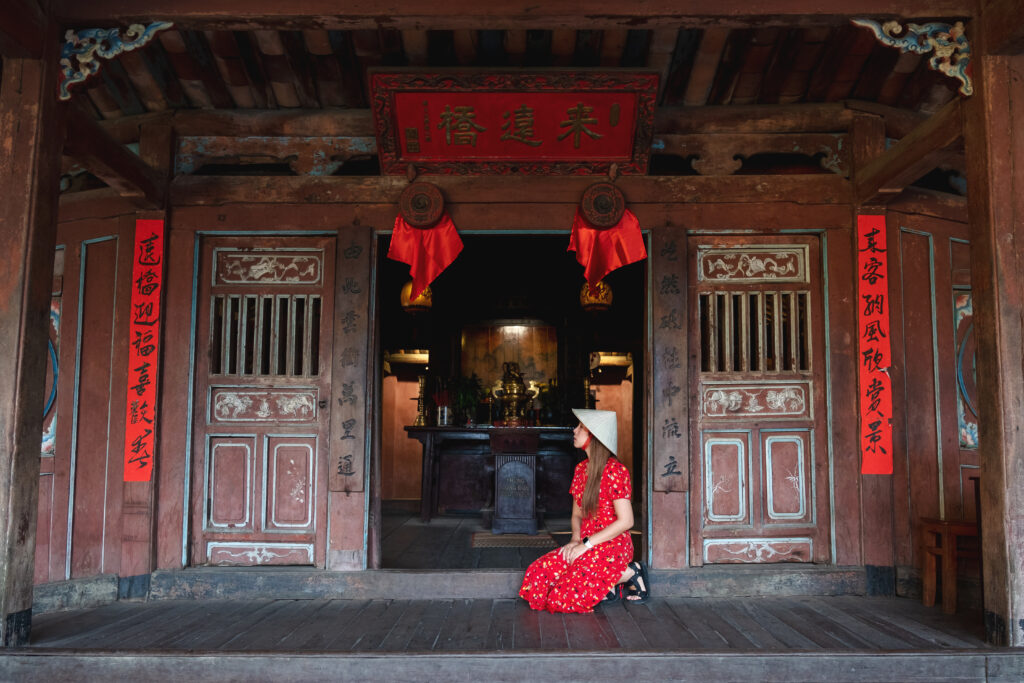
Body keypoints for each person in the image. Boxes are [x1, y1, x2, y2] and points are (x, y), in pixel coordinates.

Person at [519, 408, 649, 613]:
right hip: (586, 542)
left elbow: (626, 521)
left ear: (594, 436)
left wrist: (586, 545)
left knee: (561, 597)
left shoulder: (616, 470)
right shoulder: (580, 470)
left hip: (611, 546)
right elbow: (577, 515)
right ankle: (607, 586)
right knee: (538, 575)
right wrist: (574, 541)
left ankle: (631, 572)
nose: (574, 430)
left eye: (581, 427)